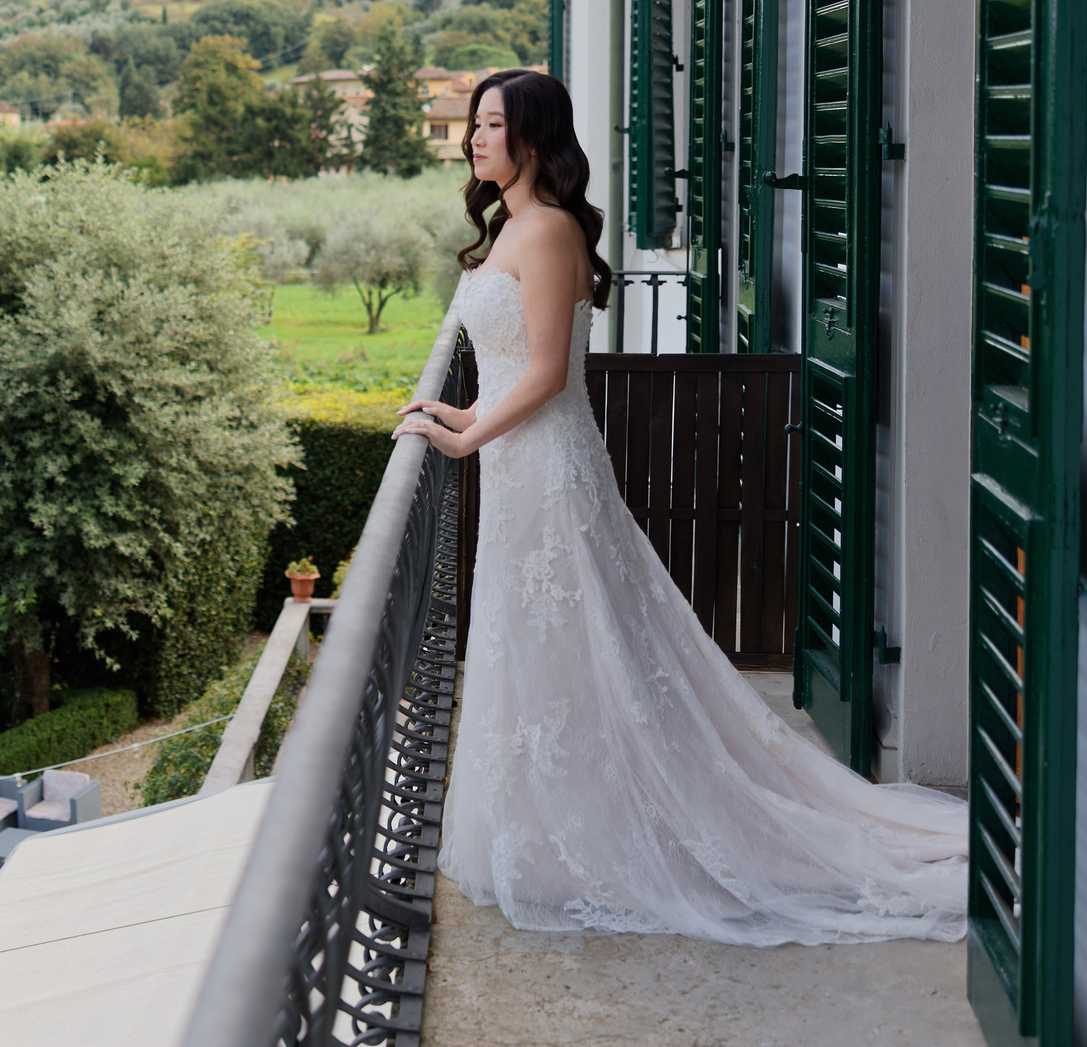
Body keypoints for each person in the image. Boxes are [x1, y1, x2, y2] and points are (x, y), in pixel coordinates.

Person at [397, 69, 967, 944]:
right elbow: (514, 372)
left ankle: (633, 828)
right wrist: (464, 413)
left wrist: (470, 441)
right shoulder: (515, 224)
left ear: (535, 140)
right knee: (541, 651)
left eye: (491, 125)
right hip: (517, 468)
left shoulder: (546, 231)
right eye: (474, 124)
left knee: (583, 651)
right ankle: (551, 828)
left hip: (548, 473)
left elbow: (548, 373)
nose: (475, 139)